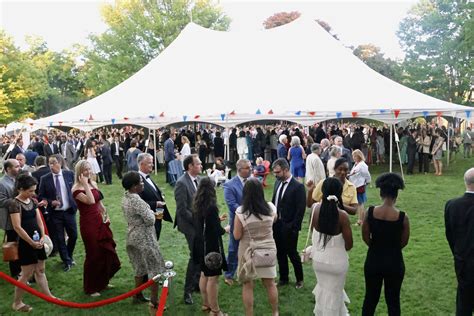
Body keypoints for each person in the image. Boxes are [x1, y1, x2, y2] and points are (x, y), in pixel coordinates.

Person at [362, 173, 410, 316]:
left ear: (380, 193)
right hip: (394, 261)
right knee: (393, 301)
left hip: (374, 259)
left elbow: (365, 236)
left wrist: (375, 245)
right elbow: (404, 241)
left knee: (370, 298)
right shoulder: (403, 217)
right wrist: (392, 248)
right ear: (396, 195)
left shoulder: (370, 212)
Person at [72, 160, 121, 296]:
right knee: (93, 254)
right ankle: (90, 287)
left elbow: (98, 202)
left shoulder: (93, 183)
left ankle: (103, 281)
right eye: (85, 170)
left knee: (104, 251)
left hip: (99, 221)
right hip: (88, 224)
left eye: (89, 169)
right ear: (79, 172)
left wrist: (106, 215)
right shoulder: (76, 189)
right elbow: (90, 201)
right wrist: (85, 184)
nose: (88, 172)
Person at [9, 174, 55, 312]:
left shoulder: (33, 201)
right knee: (26, 273)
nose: (33, 193)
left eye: (34, 190)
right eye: (30, 191)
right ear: (20, 189)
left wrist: (42, 237)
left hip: (37, 240)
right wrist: (31, 242)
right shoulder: (14, 204)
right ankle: (17, 303)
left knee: (40, 269)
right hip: (25, 242)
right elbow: (17, 227)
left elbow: (39, 220)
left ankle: (49, 296)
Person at [122, 171, 166, 315]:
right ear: (134, 186)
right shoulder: (137, 199)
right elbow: (150, 220)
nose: (143, 184)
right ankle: (154, 301)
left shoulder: (125, 197)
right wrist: (153, 214)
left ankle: (137, 295)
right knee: (155, 268)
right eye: (140, 182)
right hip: (144, 237)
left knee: (139, 266)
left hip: (131, 236)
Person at [233, 178, 278, 316]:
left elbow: (237, 235)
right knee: (270, 283)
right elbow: (273, 221)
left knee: (248, 285)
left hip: (248, 253)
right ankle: (275, 312)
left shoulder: (240, 212)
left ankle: (249, 314)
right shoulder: (271, 207)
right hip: (268, 251)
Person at [310, 177, 353, 315]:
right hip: (336, 263)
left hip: (318, 261)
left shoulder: (315, 209)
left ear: (322, 191)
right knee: (334, 295)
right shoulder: (343, 216)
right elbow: (349, 245)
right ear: (340, 193)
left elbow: (314, 235)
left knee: (324, 291)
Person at [193, 177, 228, 316]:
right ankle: (215, 311)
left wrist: (217, 220)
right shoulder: (211, 207)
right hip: (210, 246)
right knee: (213, 278)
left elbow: (203, 223)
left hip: (200, 243)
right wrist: (225, 229)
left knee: (204, 274)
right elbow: (216, 230)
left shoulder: (197, 204)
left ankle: (206, 303)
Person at [38, 154, 78, 272]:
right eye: (49, 163)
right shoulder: (45, 179)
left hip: (69, 211)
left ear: (60, 163)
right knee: (60, 238)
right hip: (55, 214)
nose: (51, 165)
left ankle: (69, 255)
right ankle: (66, 260)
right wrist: (51, 202)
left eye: (54, 162)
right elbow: (41, 196)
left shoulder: (69, 174)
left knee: (74, 236)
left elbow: (75, 189)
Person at [271, 158, 306, 288]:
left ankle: (299, 279)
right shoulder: (277, 183)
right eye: (274, 172)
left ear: (286, 170)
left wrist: (293, 227)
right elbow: (274, 201)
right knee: (280, 253)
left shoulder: (298, 187)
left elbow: (300, 210)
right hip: (276, 225)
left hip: (290, 226)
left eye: (278, 172)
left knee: (292, 253)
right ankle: (283, 278)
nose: (275, 175)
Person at [444, 168, 474, 316]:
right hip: (464, 259)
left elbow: (450, 235)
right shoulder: (452, 205)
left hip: (462, 261)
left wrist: (458, 253)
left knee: (463, 304)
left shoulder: (452, 205)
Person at [174, 154, 202, 305]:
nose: (201, 165)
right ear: (190, 166)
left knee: (199, 253)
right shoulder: (181, 183)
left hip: (198, 223)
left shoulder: (198, 180)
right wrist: (198, 221)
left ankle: (197, 284)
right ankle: (187, 291)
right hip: (189, 225)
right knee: (195, 255)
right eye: (198, 164)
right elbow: (182, 210)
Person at [223, 159, 252, 285]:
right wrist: (247, 212)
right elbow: (232, 205)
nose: (250, 169)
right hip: (237, 221)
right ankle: (229, 274)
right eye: (247, 168)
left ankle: (250, 271)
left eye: (250, 167)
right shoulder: (230, 185)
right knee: (233, 248)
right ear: (240, 170)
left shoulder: (253, 181)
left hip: (253, 221)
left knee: (252, 247)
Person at [137, 153, 172, 241]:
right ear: (141, 164)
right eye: (149, 163)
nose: (152, 165)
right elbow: (138, 202)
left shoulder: (147, 177)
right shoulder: (137, 180)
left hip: (158, 215)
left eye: (152, 162)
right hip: (149, 219)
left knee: (156, 239)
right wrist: (156, 203)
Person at [0, 159, 22, 278]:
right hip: (10, 220)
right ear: (8, 169)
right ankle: (16, 272)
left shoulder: (17, 179)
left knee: (21, 244)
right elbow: (1, 201)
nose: (20, 167)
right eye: (17, 166)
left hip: (20, 217)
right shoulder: (2, 183)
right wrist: (18, 200)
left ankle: (23, 269)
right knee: (13, 245)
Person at [349, 150, 371, 226]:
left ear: (359, 156)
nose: (353, 158)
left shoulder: (362, 165)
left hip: (360, 185)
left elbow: (367, 174)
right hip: (356, 185)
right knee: (359, 203)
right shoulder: (356, 164)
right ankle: (363, 218)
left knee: (360, 203)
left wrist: (368, 181)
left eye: (354, 156)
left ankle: (360, 220)